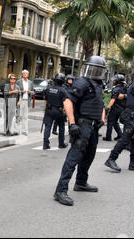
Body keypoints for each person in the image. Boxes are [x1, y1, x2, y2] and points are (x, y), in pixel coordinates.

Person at [53, 56, 107, 206]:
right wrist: (72, 123)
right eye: (94, 68)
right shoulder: (82, 82)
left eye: (99, 69)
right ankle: (60, 190)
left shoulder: (97, 84)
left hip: (93, 126)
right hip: (82, 125)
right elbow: (67, 100)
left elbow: (100, 103)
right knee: (74, 157)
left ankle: (81, 182)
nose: (96, 71)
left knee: (89, 155)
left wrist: (101, 119)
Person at [42, 73, 68, 150]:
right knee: (61, 127)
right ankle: (61, 144)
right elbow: (66, 102)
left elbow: (45, 100)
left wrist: (47, 108)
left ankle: (45, 144)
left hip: (49, 110)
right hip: (59, 111)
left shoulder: (48, 88)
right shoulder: (63, 90)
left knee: (47, 127)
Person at [103, 74, 126, 141]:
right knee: (115, 122)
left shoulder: (116, 89)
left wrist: (108, 107)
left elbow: (113, 99)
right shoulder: (124, 88)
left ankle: (108, 137)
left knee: (110, 122)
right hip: (122, 108)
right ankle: (120, 135)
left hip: (115, 108)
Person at [16, 69, 34, 135]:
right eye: (24, 73)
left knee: (25, 116)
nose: (25, 74)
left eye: (26, 73)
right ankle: (17, 130)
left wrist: (30, 92)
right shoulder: (18, 82)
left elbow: (33, 92)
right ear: (22, 74)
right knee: (19, 115)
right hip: (21, 100)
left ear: (28, 75)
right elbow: (16, 90)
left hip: (27, 101)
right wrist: (21, 91)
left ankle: (24, 131)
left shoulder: (30, 82)